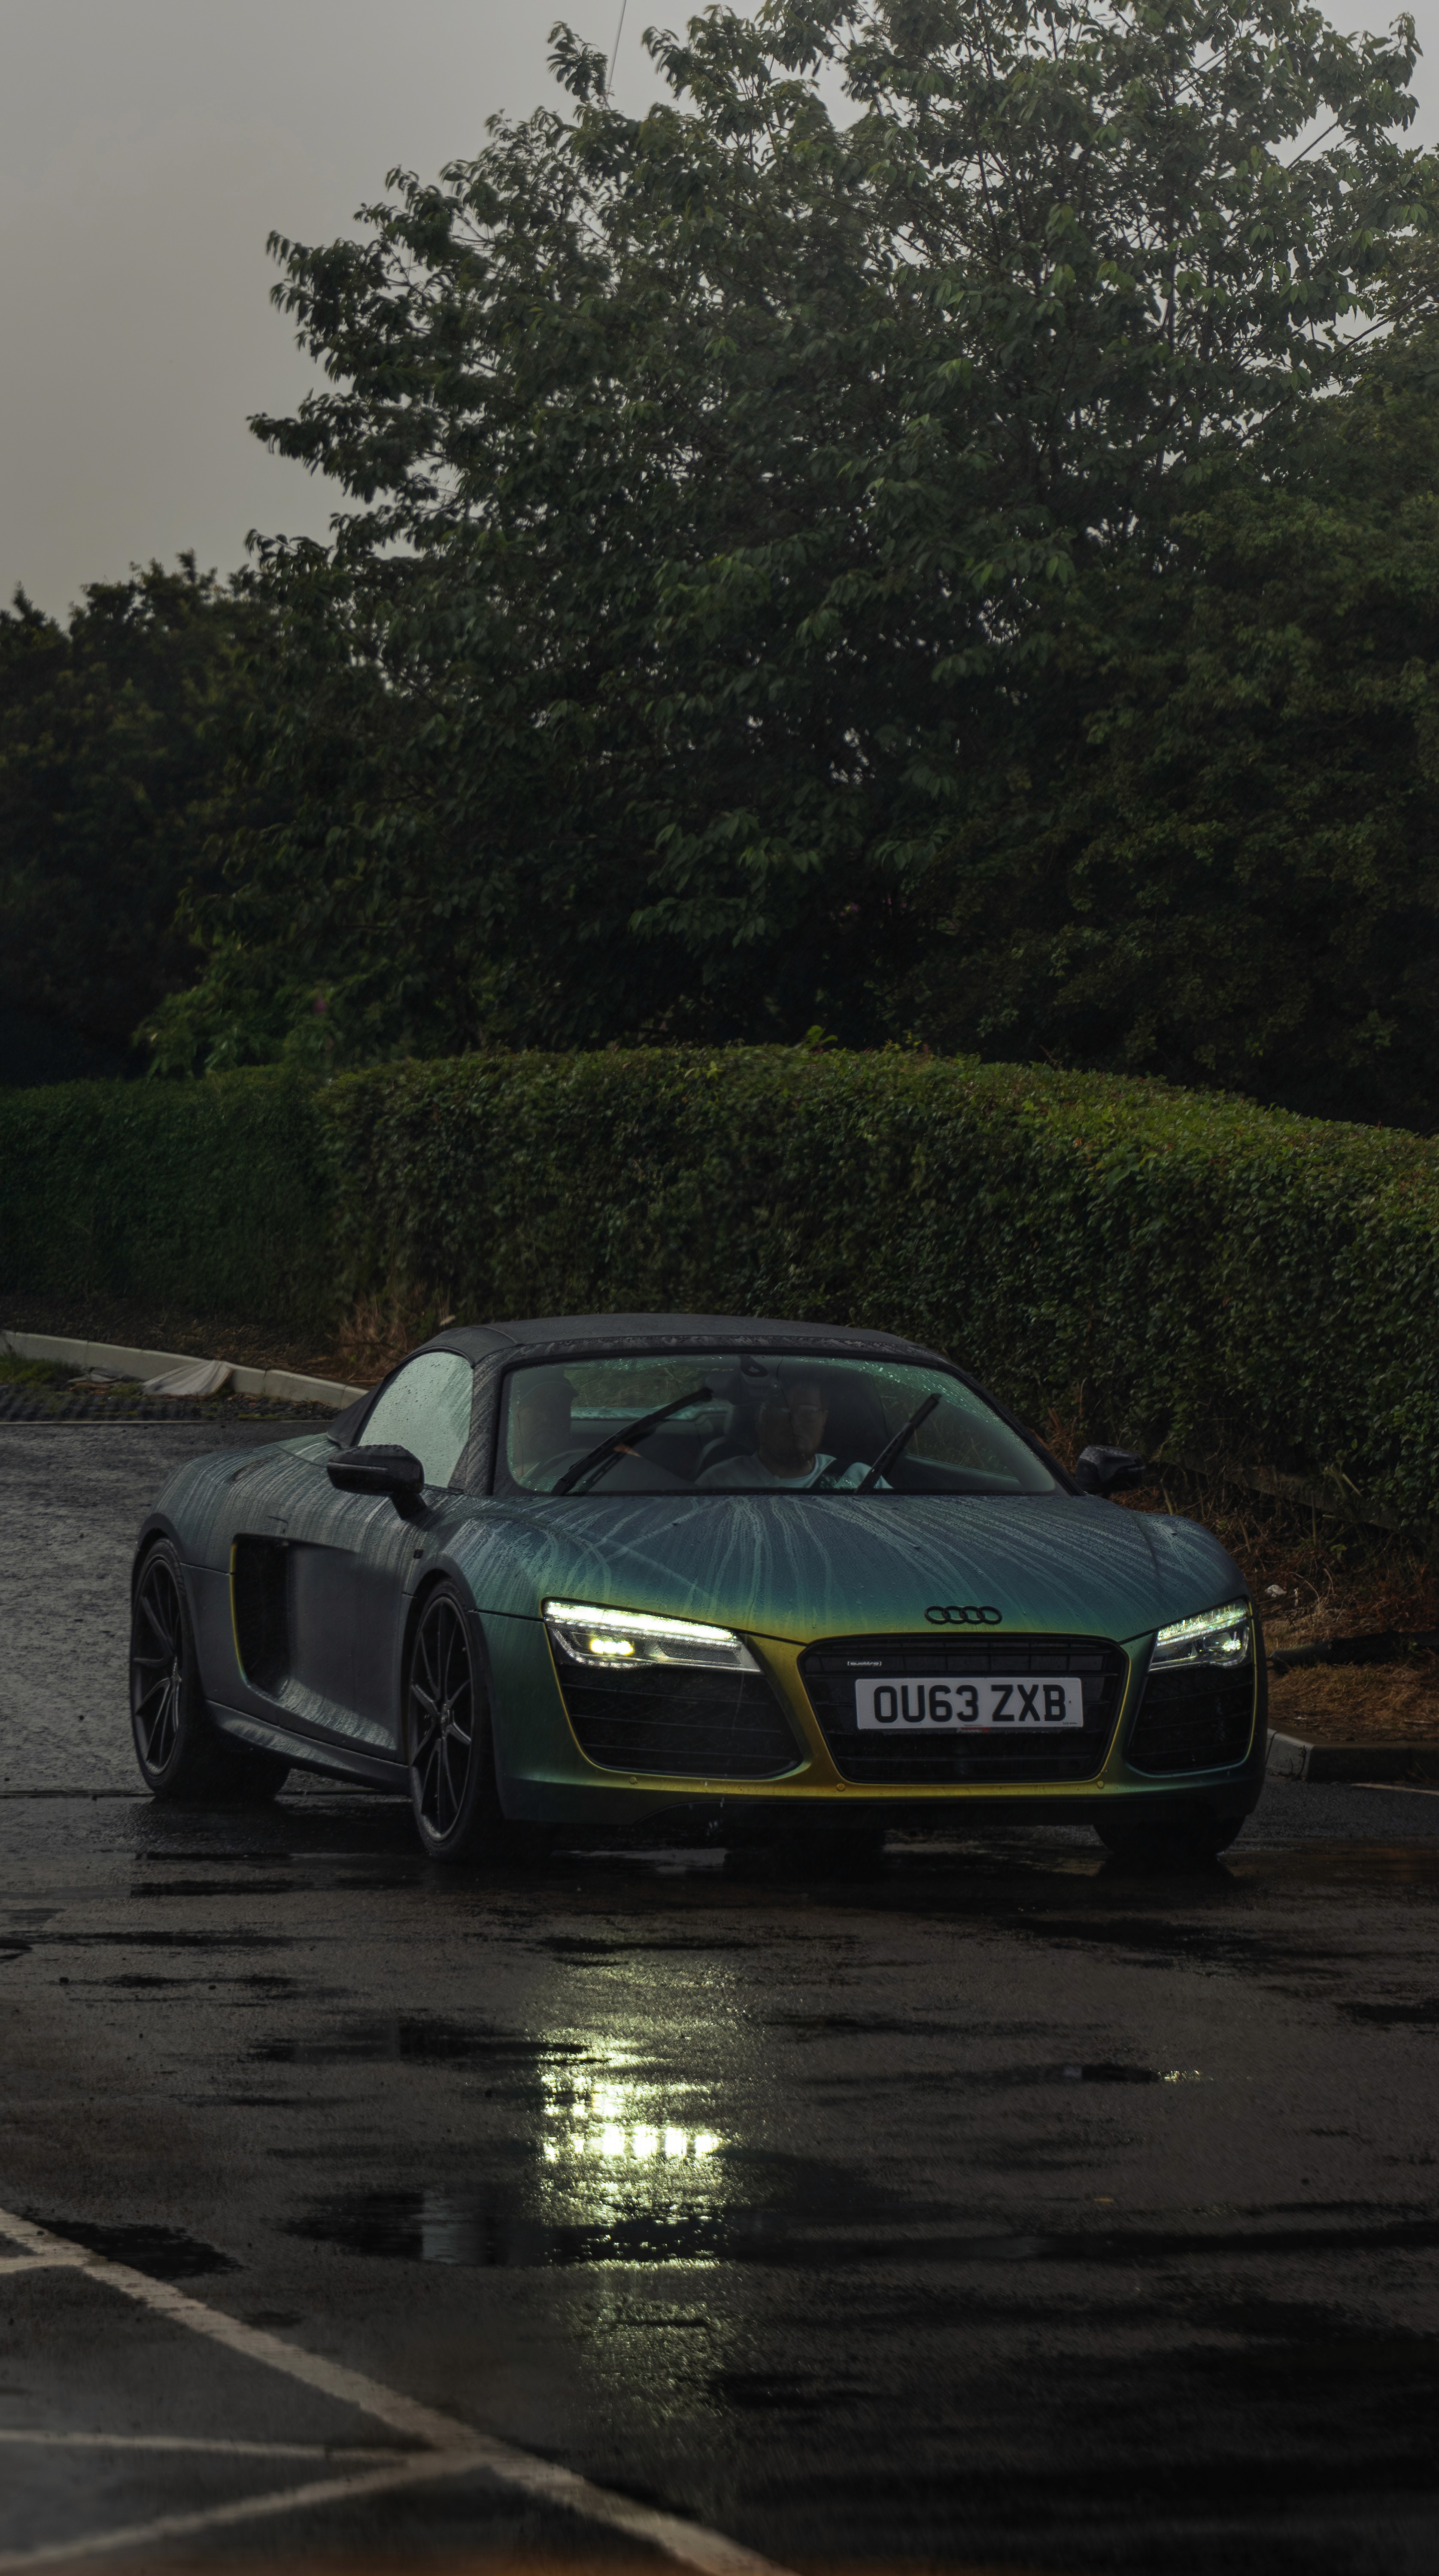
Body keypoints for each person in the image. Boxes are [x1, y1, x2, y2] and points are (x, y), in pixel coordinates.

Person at [697, 1376, 881, 1491]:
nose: (795, 1421)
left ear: (824, 1419)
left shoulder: (861, 1480)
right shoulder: (718, 1482)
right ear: (760, 1419)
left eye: (808, 1411)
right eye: (781, 1411)